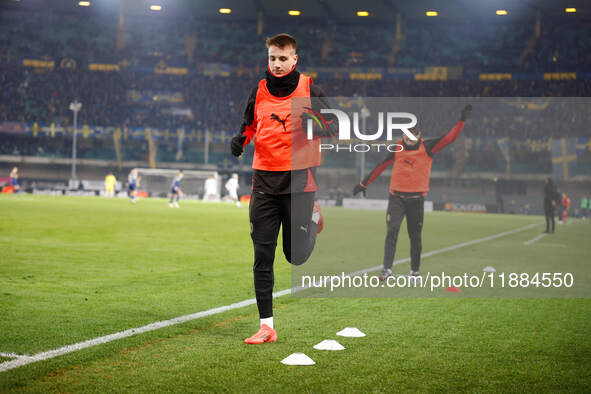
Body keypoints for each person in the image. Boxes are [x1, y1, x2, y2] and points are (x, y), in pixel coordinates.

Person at [230, 33, 334, 344]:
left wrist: (312, 122)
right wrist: (240, 139)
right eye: (272, 58)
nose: (277, 64)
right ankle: (267, 326)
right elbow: (250, 124)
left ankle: (313, 218)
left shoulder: (309, 88)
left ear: (295, 59)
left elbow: (335, 125)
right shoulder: (259, 90)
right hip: (263, 181)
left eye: (283, 58)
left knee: (295, 256)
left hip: (299, 181)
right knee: (263, 254)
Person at [352, 105, 472, 280]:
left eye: (412, 137)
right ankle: (386, 270)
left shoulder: (428, 147)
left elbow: (450, 138)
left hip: (416, 199)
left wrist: (462, 120)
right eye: (406, 137)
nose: (408, 140)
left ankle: (414, 272)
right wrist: (364, 183)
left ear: (418, 135)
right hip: (396, 199)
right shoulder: (396, 148)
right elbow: (381, 167)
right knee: (392, 232)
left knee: (415, 236)